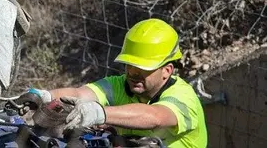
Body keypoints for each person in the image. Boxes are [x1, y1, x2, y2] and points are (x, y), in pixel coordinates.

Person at [18, 19, 207, 148]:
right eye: (130, 65)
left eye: (142, 68)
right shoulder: (120, 84)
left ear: (167, 70)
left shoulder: (184, 97)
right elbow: (79, 94)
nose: (133, 73)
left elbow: (156, 116)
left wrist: (99, 113)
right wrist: (45, 96)